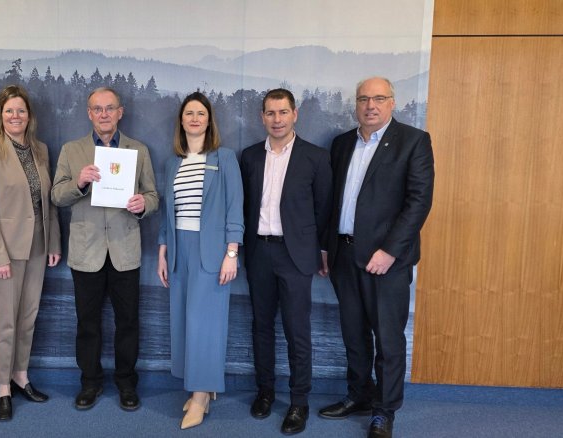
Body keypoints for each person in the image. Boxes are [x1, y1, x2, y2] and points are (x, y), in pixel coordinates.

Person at [318, 77, 434, 438]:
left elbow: (418, 202)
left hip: (387, 262)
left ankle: (384, 411)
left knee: (387, 340)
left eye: (379, 98)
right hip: (344, 255)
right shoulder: (341, 144)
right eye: (364, 99)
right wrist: (326, 247)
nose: (371, 105)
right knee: (354, 336)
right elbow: (332, 201)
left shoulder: (413, 141)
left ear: (392, 102)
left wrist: (390, 251)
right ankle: (360, 395)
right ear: (356, 104)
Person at [51, 87, 159, 412]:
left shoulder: (138, 150)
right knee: (87, 323)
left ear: (120, 112)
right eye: (97, 109)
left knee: (128, 322)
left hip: (125, 251)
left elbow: (153, 196)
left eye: (109, 108)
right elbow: (57, 195)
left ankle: (126, 383)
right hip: (87, 252)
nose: (103, 114)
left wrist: (143, 205)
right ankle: (90, 382)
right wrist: (78, 183)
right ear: (89, 114)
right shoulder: (72, 150)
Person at [240, 88, 332, 435]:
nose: (276, 120)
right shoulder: (250, 157)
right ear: (262, 117)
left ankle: (298, 401)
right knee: (261, 327)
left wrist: (322, 251)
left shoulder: (315, 157)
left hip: (296, 256)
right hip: (259, 253)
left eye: (283, 112)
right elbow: (243, 207)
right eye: (270, 113)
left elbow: (324, 210)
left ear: (295, 114)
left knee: (297, 331)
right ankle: (265, 392)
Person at [0, 85, 62, 421]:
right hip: (4, 251)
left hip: (37, 245)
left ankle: (21, 376)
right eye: (9, 110)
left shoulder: (40, 149)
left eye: (20, 110)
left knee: (27, 317)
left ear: (29, 115)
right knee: (6, 321)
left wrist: (53, 243)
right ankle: (3, 387)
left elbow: (48, 202)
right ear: (0, 114)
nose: (15, 116)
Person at [156, 92, 244, 429]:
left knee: (204, 325)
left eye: (201, 113)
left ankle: (201, 395)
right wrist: (163, 251)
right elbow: (168, 213)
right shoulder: (172, 163)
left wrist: (231, 253)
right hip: (180, 251)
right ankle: (200, 387)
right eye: (189, 113)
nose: (195, 118)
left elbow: (235, 208)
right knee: (183, 322)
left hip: (213, 253)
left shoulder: (224, 158)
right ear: (181, 120)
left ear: (209, 120)